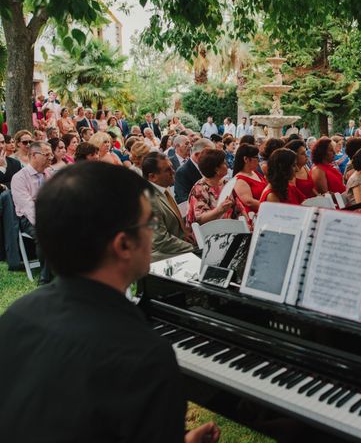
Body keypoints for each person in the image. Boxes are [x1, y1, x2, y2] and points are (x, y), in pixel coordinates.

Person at [0, 162, 221, 441]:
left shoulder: (17, 315)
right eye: (149, 223)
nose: (153, 233)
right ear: (123, 245)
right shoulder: (143, 356)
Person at [10, 141, 53, 284]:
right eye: (46, 154)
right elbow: (28, 207)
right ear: (34, 155)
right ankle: (45, 277)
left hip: (50, 213)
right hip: (28, 218)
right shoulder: (19, 178)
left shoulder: (49, 173)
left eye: (50, 154)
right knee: (45, 233)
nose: (50, 157)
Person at [142, 152, 195, 261]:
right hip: (161, 258)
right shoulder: (149, 200)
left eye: (171, 167)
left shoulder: (163, 187)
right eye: (167, 170)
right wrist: (194, 248)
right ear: (152, 177)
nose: (173, 171)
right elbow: (160, 241)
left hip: (175, 245)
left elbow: (173, 222)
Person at [187, 148, 245, 226]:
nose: (227, 165)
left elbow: (239, 208)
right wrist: (219, 210)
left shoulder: (226, 183)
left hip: (229, 228)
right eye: (224, 163)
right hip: (209, 232)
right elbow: (200, 219)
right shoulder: (199, 189)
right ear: (216, 170)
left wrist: (246, 224)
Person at [174, 138, 215, 204]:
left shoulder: (209, 166)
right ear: (197, 155)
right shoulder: (182, 172)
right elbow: (184, 199)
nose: (212, 158)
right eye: (210, 154)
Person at [232, 144, 267, 212]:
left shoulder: (254, 172)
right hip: (253, 216)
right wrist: (269, 207)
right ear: (246, 159)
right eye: (257, 158)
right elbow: (249, 202)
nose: (258, 161)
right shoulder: (240, 179)